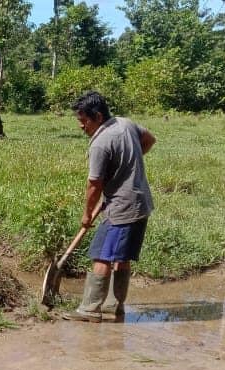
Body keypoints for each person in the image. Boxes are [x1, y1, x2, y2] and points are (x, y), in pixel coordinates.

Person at [63, 91, 156, 322]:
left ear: (97, 116)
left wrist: (86, 215)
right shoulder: (126, 124)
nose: (81, 126)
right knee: (121, 257)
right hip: (140, 202)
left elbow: (94, 185)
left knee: (102, 255)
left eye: (83, 121)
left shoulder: (101, 144)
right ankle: (114, 308)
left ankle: (89, 310)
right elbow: (149, 140)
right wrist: (126, 167)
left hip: (122, 208)